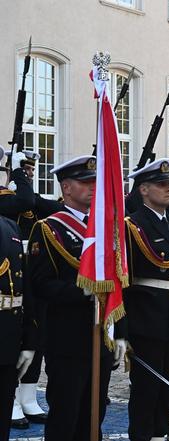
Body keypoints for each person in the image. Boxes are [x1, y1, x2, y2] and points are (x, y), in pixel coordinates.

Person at [28, 155, 127, 441]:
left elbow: (119, 286)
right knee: (65, 414)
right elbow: (41, 285)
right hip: (67, 337)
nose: (93, 187)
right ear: (66, 188)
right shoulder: (50, 229)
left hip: (101, 336)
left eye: (96, 182)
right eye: (85, 182)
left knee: (94, 415)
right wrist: (82, 291)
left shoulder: (109, 230)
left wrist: (120, 331)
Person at [124, 158, 169, 441]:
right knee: (146, 390)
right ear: (143, 190)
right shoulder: (133, 226)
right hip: (146, 318)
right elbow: (124, 279)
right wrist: (122, 328)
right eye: (162, 184)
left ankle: (162, 435)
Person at [0, 149, 49, 429]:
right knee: (11, 344)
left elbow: (50, 208)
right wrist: (15, 173)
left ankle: (28, 396)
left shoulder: (24, 198)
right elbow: (25, 200)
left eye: (30, 170)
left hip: (27, 273)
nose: (29, 173)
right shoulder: (10, 199)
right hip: (7, 280)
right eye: (24, 169)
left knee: (34, 334)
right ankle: (14, 399)